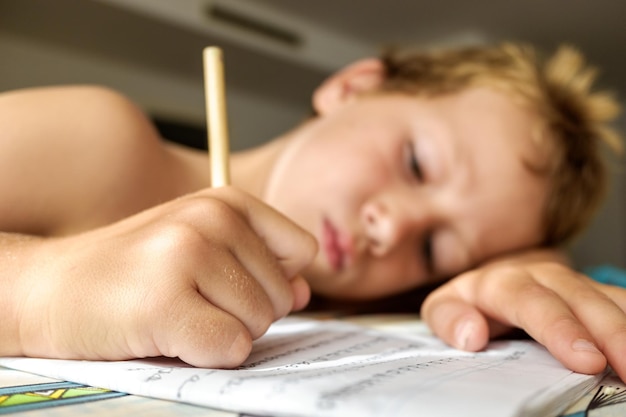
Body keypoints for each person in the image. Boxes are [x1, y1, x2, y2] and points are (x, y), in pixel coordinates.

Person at [0, 41, 624, 381]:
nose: (396, 227)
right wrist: (37, 293)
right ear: (353, 88)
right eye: (415, 164)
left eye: (434, 249)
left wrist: (519, 271)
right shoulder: (101, 141)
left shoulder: (363, 311)